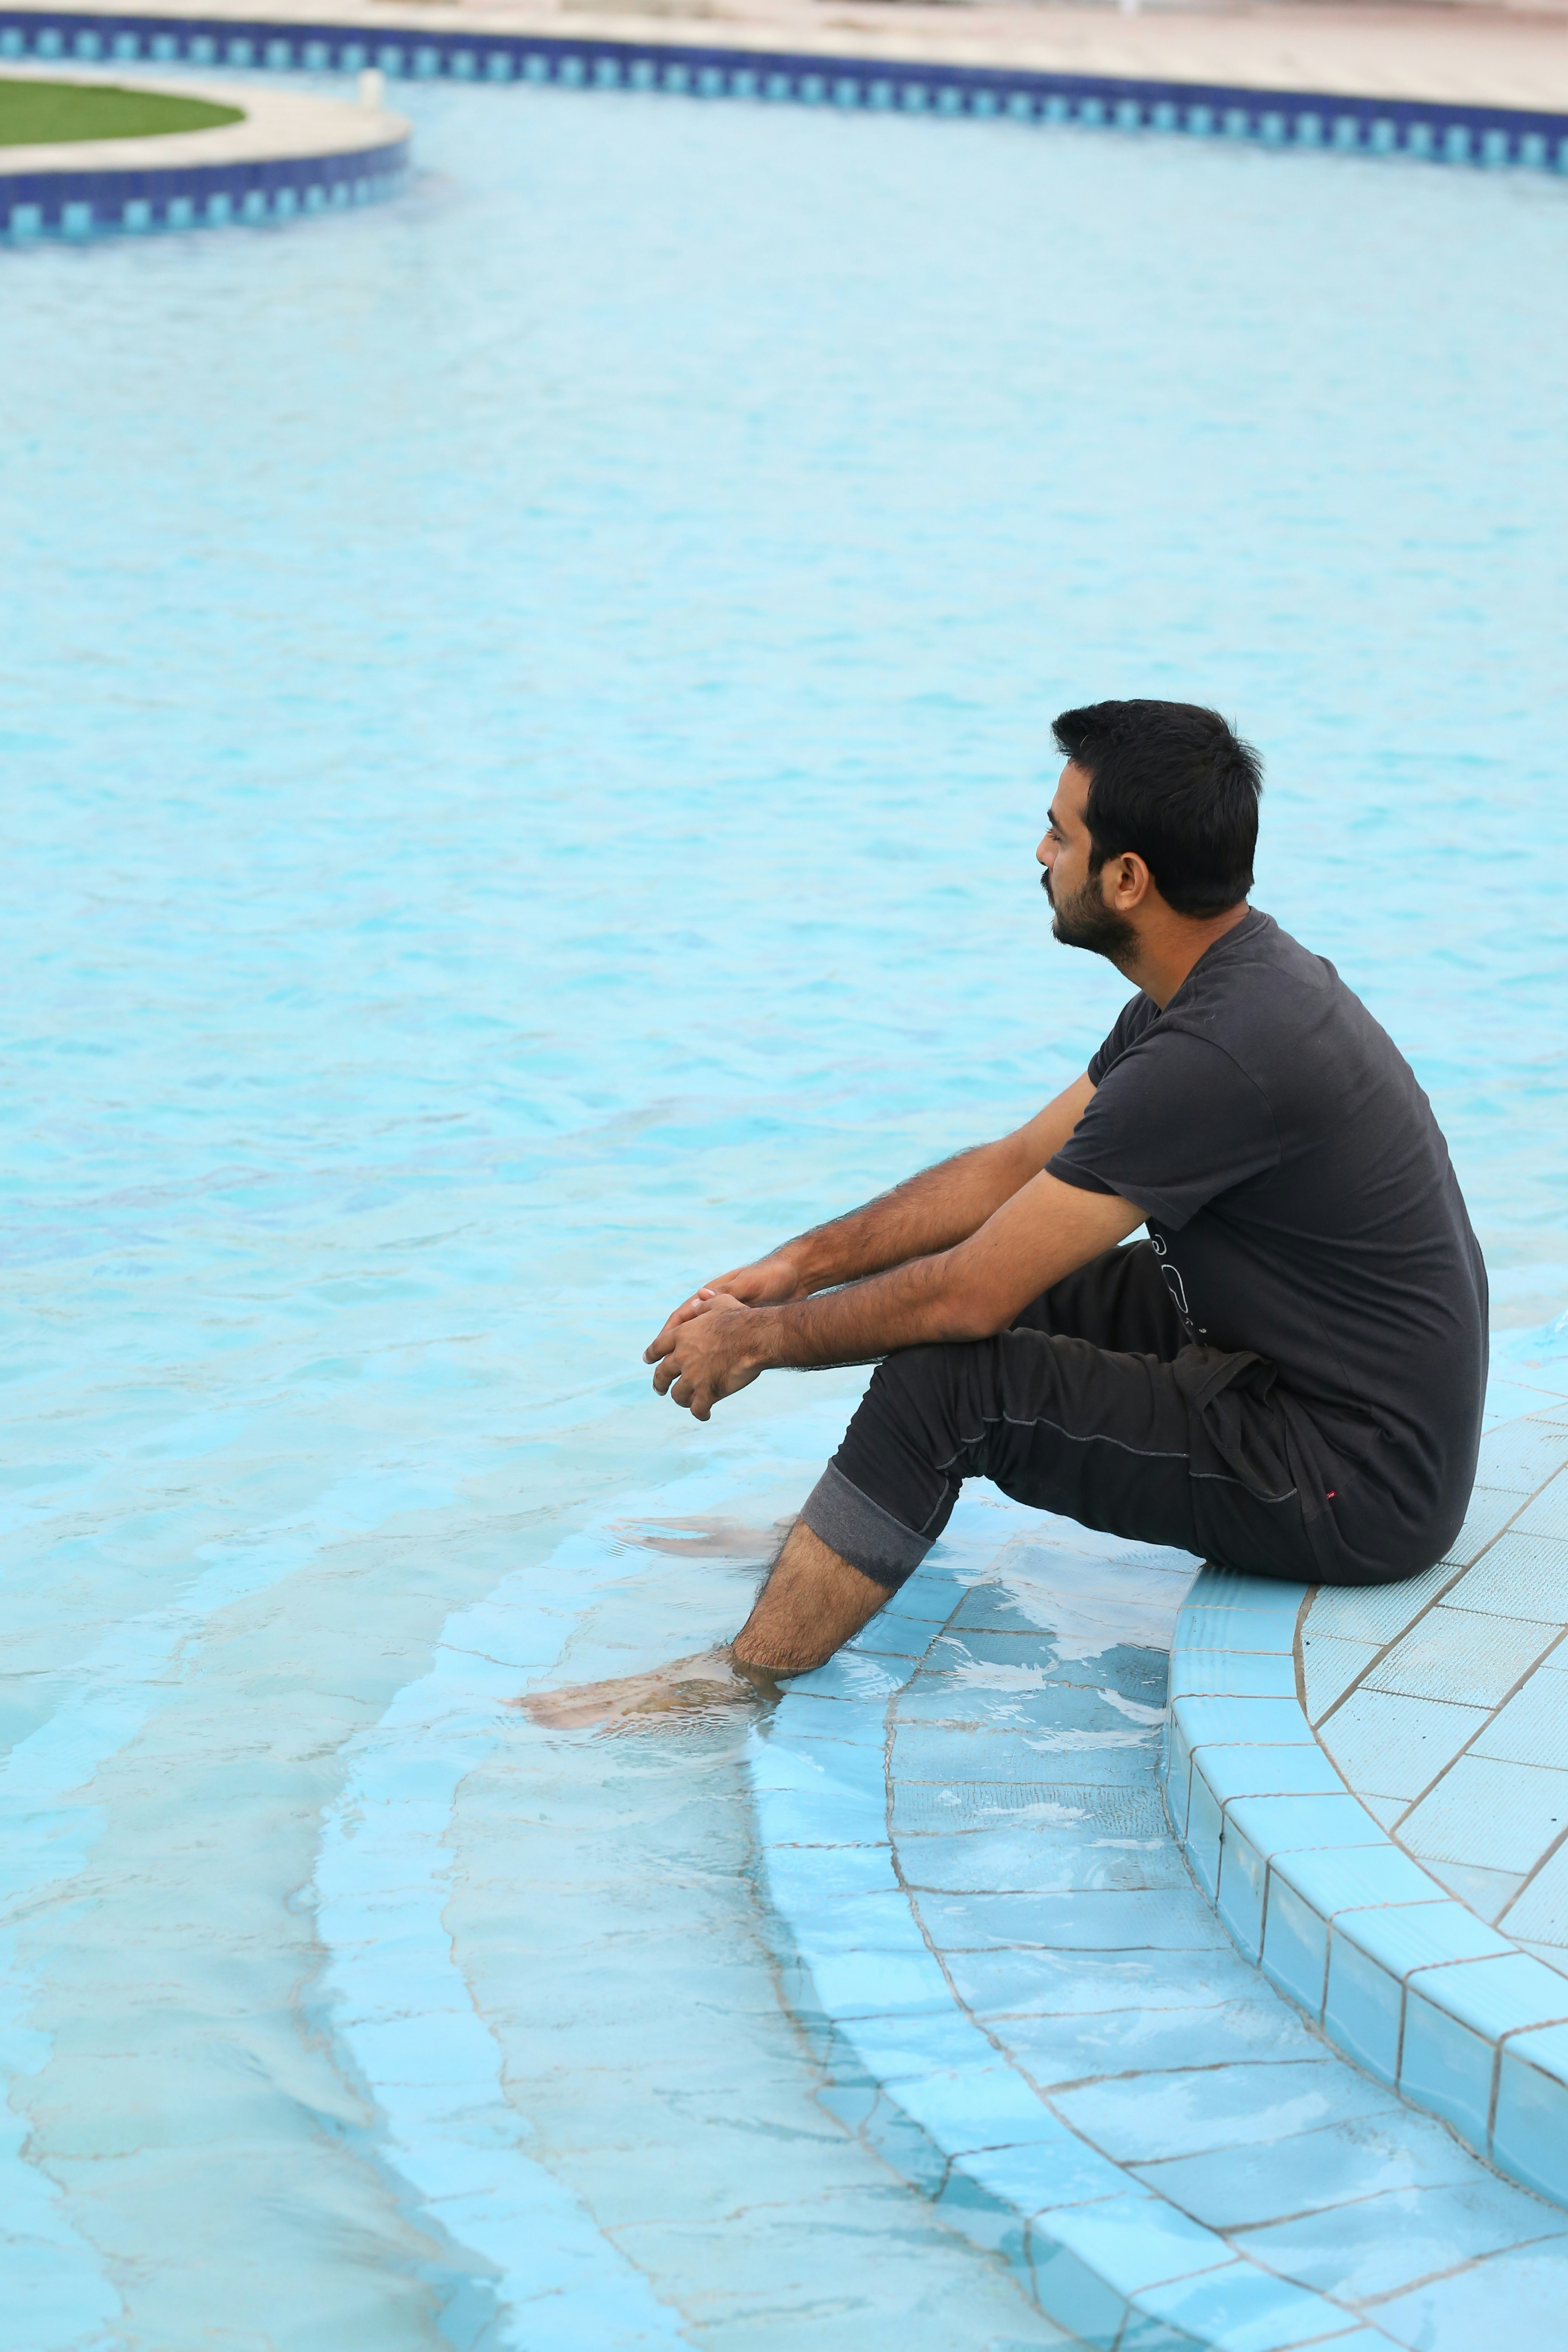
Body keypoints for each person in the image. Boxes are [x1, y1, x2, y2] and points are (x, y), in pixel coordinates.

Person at [530, 700, 1486, 1730]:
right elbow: (1011, 1171)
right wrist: (798, 1266)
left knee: (951, 1379)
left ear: (1128, 878)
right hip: (1306, 1370)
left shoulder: (1217, 1054)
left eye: (1060, 835)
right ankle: (836, 1537)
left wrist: (756, 1340)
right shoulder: (1220, 989)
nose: (1041, 854)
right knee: (1031, 1289)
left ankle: (737, 1682)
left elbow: (966, 1297)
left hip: (1352, 1482)